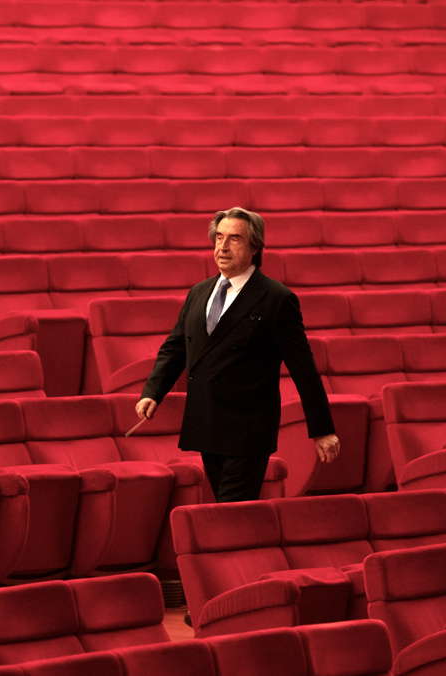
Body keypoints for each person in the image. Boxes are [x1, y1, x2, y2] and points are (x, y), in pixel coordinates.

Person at [135, 207, 340, 503]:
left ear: (255, 247)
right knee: (225, 508)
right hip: (206, 421)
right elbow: (176, 346)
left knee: (232, 510)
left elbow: (302, 368)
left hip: (248, 429)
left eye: (234, 239)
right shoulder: (199, 292)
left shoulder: (276, 298)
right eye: (218, 238)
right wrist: (153, 391)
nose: (222, 247)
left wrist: (322, 429)